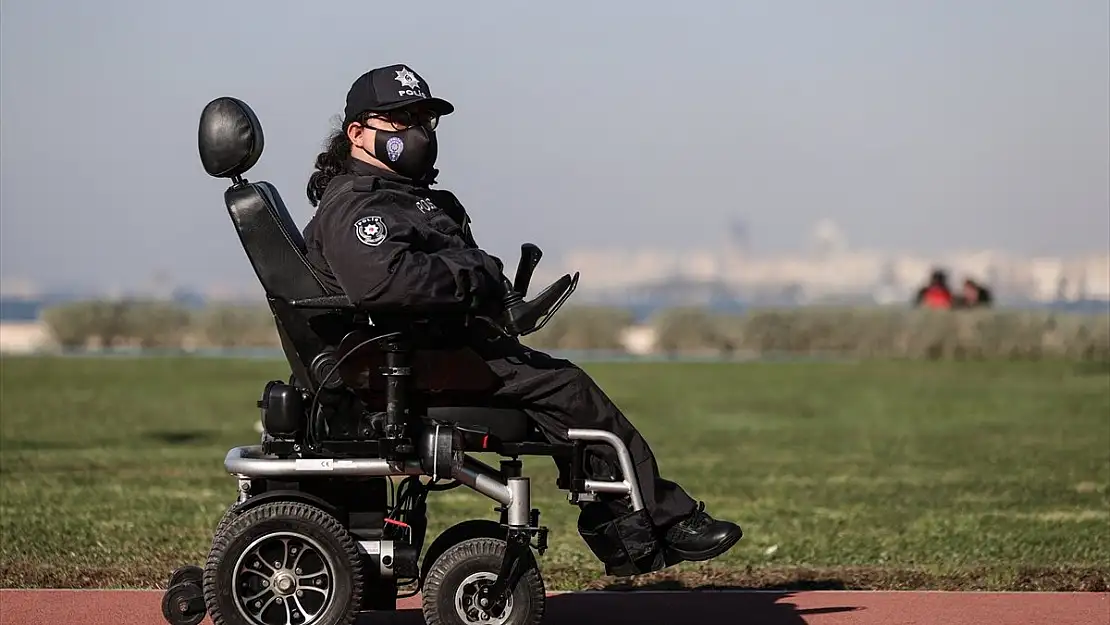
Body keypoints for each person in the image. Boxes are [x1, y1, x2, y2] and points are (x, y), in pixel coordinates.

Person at [300, 63, 742, 573]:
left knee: (560, 393)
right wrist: (476, 276)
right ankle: (656, 523)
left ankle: (626, 528)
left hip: (440, 351)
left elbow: (431, 274)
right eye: (403, 120)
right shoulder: (358, 208)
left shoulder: (408, 199)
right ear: (358, 133)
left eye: (425, 117)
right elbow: (385, 284)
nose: (419, 131)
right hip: (407, 363)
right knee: (566, 388)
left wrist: (493, 294)